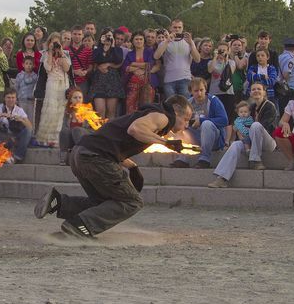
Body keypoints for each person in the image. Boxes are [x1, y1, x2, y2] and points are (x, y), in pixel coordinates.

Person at [34, 95, 193, 238]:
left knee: (104, 203)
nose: (186, 124)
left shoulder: (149, 114)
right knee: (132, 202)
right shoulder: (163, 117)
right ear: (176, 112)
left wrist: (132, 166)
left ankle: (58, 202)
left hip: (80, 154)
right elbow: (135, 129)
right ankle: (79, 226)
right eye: (186, 119)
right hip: (94, 157)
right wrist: (167, 143)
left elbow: (113, 141)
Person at [208, 82, 278, 187]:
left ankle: (256, 160)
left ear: (264, 92)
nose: (256, 91)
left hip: (268, 143)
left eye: (259, 89)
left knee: (256, 125)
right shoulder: (252, 107)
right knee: (235, 145)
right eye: (253, 89)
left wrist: (246, 135)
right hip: (251, 142)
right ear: (250, 93)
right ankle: (222, 178)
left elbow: (266, 127)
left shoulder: (269, 106)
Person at [170, 77, 228, 169]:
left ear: (205, 89)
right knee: (180, 126)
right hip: (196, 137)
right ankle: (183, 158)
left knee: (206, 124)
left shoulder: (213, 100)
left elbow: (224, 120)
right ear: (191, 91)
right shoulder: (188, 103)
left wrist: (202, 121)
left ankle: (205, 159)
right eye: (196, 91)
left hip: (214, 139)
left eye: (201, 90)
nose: (199, 93)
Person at [0, 88, 32, 180]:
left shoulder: (19, 110)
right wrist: (1, 115)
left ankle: (16, 157)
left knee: (28, 131)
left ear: (16, 99)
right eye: (8, 97)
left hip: (15, 137)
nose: (11, 100)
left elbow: (30, 126)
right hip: (3, 137)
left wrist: (20, 119)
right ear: (4, 98)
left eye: (13, 97)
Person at [35, 33, 71, 147]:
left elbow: (67, 68)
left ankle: (57, 139)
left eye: (57, 42)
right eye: (53, 42)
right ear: (49, 43)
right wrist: (50, 52)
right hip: (51, 84)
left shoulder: (65, 54)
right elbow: (48, 68)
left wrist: (60, 53)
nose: (55, 44)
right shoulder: (45, 54)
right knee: (50, 111)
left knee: (60, 112)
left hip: (63, 84)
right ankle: (47, 138)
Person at [153, 19, 200, 98]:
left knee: (185, 105)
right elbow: (156, 56)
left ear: (182, 28)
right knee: (171, 106)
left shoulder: (188, 42)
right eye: (175, 27)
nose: (177, 29)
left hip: (185, 79)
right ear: (170, 28)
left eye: (179, 27)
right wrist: (167, 41)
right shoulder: (165, 42)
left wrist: (191, 43)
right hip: (169, 80)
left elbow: (197, 59)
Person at [91, 28, 125, 118]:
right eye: (106, 36)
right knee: (100, 111)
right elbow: (96, 59)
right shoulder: (97, 49)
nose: (108, 38)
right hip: (99, 82)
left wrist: (112, 46)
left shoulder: (118, 50)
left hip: (113, 82)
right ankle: (99, 131)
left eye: (110, 36)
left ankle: (109, 131)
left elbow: (118, 60)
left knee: (111, 111)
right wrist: (103, 48)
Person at [122, 31, 159, 113]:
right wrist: (136, 69)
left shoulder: (150, 51)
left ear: (144, 40)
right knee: (130, 108)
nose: (139, 41)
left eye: (141, 39)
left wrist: (133, 64)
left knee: (146, 108)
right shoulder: (130, 54)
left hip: (147, 83)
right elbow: (126, 68)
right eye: (136, 39)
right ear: (133, 41)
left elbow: (150, 65)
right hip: (132, 84)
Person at [208, 41, 236, 141]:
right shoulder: (211, 62)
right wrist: (216, 57)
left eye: (224, 50)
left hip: (228, 93)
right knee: (215, 116)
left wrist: (226, 58)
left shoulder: (231, 62)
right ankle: (216, 139)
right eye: (220, 50)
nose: (222, 52)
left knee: (228, 117)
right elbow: (210, 70)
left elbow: (231, 72)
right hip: (215, 92)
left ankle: (226, 141)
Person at [58, 87, 91, 165]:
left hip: (85, 139)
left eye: (80, 97)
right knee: (64, 131)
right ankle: (63, 158)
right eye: (75, 97)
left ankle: (82, 156)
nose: (78, 99)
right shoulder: (67, 113)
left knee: (77, 130)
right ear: (70, 100)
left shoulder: (88, 112)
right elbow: (64, 128)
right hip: (72, 140)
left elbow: (91, 130)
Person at [67, 25, 93, 102]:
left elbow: (90, 66)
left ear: (82, 36)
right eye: (75, 34)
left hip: (83, 82)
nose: (77, 36)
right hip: (68, 81)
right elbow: (63, 67)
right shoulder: (66, 50)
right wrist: (74, 71)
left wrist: (86, 71)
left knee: (81, 105)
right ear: (71, 35)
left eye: (79, 34)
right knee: (67, 104)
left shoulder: (88, 50)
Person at [278, 38, 294, 110]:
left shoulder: (280, 56)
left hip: (282, 88)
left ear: (284, 47)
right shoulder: (290, 58)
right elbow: (286, 73)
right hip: (290, 89)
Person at [15, 56, 38, 126]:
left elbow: (35, 87)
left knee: (30, 118)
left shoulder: (35, 76)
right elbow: (16, 87)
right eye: (26, 63)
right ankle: (21, 133)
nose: (28, 65)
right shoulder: (19, 75)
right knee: (21, 118)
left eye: (30, 64)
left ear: (33, 65)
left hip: (31, 101)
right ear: (23, 65)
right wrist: (16, 98)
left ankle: (30, 133)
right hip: (21, 100)